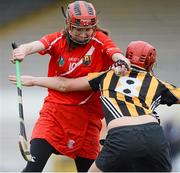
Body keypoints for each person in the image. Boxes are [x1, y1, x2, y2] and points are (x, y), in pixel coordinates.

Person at [9, 40, 180, 172]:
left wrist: (33, 80)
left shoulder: (106, 75)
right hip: (154, 136)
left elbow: (65, 85)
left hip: (121, 135)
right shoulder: (158, 83)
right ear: (150, 64)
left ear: (126, 56)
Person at [10, 1, 130, 172]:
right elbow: (37, 45)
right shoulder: (58, 39)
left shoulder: (99, 40)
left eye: (87, 29)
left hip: (88, 121)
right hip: (54, 116)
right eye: (78, 29)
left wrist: (122, 62)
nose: (83, 35)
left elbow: (116, 54)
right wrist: (23, 50)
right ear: (68, 25)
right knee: (32, 170)